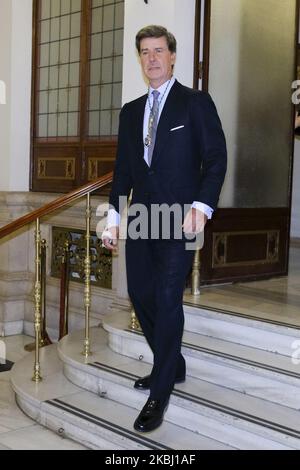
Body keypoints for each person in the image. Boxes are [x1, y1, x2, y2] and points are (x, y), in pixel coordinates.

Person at [102, 25, 227, 433]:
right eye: (145, 51)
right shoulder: (131, 111)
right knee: (140, 292)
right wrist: (114, 218)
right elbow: (122, 171)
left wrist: (203, 207)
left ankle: (161, 388)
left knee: (168, 297)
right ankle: (174, 364)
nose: (152, 58)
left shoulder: (195, 103)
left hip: (182, 217)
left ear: (172, 56)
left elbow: (216, 158)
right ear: (140, 59)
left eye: (159, 50)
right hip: (141, 217)